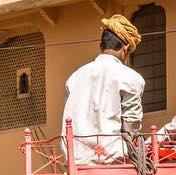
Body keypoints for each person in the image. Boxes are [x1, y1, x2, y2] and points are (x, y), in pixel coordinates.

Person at [61, 15, 144, 165]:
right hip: (110, 157)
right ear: (126, 48)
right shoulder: (131, 78)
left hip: (74, 158)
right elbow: (131, 124)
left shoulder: (74, 77)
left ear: (101, 46)